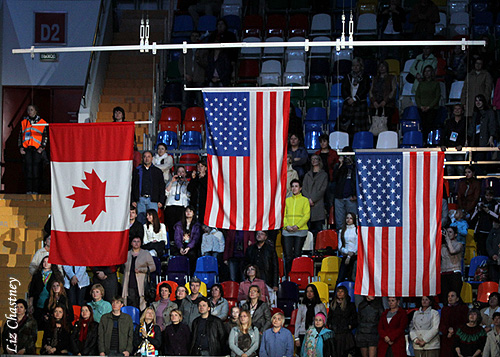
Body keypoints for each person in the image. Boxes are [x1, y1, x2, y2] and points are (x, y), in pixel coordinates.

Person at [282, 179, 310, 276]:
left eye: (296, 186)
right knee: (288, 255)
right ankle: (288, 275)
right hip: (287, 230)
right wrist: (287, 226)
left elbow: (306, 215)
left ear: (300, 188)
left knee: (297, 254)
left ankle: (296, 275)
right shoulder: (287, 200)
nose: (294, 188)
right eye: (292, 186)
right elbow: (283, 215)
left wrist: (297, 226)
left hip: (300, 231)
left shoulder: (305, 200)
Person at [18, 104, 48, 194]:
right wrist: (20, 147)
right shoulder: (24, 122)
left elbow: (45, 136)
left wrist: (42, 147)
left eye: (31, 110)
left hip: (37, 149)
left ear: (36, 111)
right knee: (28, 170)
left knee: (36, 171)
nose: (29, 112)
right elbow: (20, 135)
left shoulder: (42, 122)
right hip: (27, 149)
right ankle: (29, 190)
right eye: (28, 110)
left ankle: (35, 190)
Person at [122, 236, 156, 311]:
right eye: (134, 241)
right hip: (129, 282)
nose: (136, 243)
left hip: (141, 282)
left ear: (141, 243)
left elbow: (153, 267)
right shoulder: (127, 254)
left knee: (140, 302)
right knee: (130, 302)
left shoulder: (146, 253)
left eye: (138, 241)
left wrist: (141, 270)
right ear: (131, 243)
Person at [131, 150, 166, 224]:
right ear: (142, 158)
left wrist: (161, 200)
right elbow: (133, 186)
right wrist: (133, 199)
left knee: (153, 220)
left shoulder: (157, 172)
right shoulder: (137, 171)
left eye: (148, 157)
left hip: (153, 200)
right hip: (140, 200)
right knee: (140, 220)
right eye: (145, 157)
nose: (147, 159)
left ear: (152, 158)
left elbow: (161, 187)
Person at [28, 256, 64, 327]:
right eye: (44, 262)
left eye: (48, 262)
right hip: (38, 303)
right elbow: (31, 291)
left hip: (50, 304)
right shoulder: (37, 275)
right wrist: (30, 305)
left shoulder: (55, 275)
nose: (46, 264)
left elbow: (60, 288)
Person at [340, 57, 371, 135]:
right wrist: (348, 99)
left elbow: (365, 89)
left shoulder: (365, 77)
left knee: (360, 128)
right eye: (354, 65)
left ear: (361, 66)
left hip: (360, 104)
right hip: (348, 104)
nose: (355, 67)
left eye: (357, 65)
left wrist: (355, 98)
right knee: (346, 128)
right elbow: (344, 88)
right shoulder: (347, 76)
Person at [178, 31, 206, 109]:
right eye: (193, 36)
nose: (194, 37)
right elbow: (180, 63)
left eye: (196, 36)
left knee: (200, 101)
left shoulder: (203, 49)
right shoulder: (186, 49)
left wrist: (198, 58)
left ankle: (201, 119)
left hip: (199, 79)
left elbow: (206, 64)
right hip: (187, 78)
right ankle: (184, 119)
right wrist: (185, 74)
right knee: (184, 102)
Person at [294, 284, 327, 349]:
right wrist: (296, 338)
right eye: (307, 291)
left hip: (317, 333)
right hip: (303, 333)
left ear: (314, 292)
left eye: (311, 291)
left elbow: (324, 321)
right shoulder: (302, 306)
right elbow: (298, 322)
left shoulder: (320, 306)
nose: (309, 293)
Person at [327, 285, 357, 357]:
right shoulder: (332, 304)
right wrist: (331, 326)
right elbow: (329, 318)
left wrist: (349, 326)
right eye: (338, 291)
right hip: (335, 333)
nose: (339, 293)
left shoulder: (350, 305)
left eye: (342, 292)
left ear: (345, 293)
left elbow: (355, 319)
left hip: (345, 334)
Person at [302, 154, 328, 234]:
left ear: (319, 161)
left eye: (315, 159)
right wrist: (308, 199)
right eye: (312, 159)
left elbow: (322, 189)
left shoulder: (324, 175)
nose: (313, 160)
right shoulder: (307, 175)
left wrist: (312, 199)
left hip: (318, 203)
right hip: (307, 203)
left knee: (318, 229)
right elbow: (303, 188)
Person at [173, 205, 202, 274]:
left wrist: (188, 247)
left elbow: (195, 238)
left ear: (193, 213)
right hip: (181, 245)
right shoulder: (179, 224)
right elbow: (177, 238)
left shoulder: (196, 225)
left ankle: (190, 275)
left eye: (190, 211)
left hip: (192, 247)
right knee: (177, 255)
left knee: (192, 255)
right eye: (187, 211)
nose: (188, 213)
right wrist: (180, 247)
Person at [471, 187, 500, 256]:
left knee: (490, 251)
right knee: (481, 250)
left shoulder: (497, 205)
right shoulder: (480, 204)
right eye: (487, 195)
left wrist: (489, 212)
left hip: (492, 231)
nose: (488, 197)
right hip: (481, 231)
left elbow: (498, 218)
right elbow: (472, 219)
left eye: (490, 196)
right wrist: (479, 210)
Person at [439, 290, 469, 357]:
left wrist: (454, 330)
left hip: (459, 338)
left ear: (457, 298)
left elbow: (465, 323)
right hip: (447, 339)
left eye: (452, 296)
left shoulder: (463, 308)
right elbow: (442, 324)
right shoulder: (444, 309)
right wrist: (447, 331)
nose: (450, 298)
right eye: (448, 296)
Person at [333, 148, 357, 230]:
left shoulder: (356, 166)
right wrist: (340, 165)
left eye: (349, 155)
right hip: (339, 196)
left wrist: (356, 194)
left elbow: (358, 181)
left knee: (353, 221)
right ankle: (341, 240)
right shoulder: (339, 166)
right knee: (340, 222)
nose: (347, 157)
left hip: (351, 197)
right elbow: (334, 178)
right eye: (345, 155)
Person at [415, 65, 441, 140]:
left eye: (429, 71)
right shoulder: (421, 84)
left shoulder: (436, 84)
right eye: (425, 71)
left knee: (430, 126)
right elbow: (417, 96)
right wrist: (420, 106)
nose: (427, 73)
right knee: (423, 126)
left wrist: (429, 107)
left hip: (432, 109)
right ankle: (423, 141)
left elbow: (437, 97)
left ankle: (430, 142)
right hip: (421, 109)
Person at [442, 104, 467, 177]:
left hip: (460, 147)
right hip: (449, 147)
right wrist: (443, 144)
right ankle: (451, 187)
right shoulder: (449, 122)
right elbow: (444, 134)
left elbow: (467, 135)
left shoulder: (465, 122)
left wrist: (461, 145)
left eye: (459, 109)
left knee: (460, 168)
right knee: (449, 168)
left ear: (462, 111)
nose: (457, 110)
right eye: (455, 109)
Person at [440, 226, 464, 303]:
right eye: (446, 232)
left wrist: (447, 239)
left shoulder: (459, 244)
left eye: (450, 232)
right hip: (443, 273)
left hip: (454, 272)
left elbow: (452, 251)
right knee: (445, 298)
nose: (448, 234)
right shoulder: (442, 246)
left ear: (455, 234)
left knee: (455, 297)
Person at [337, 212, 358, 284]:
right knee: (340, 278)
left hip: (355, 255)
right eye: (347, 218)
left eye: (351, 218)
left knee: (352, 276)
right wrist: (347, 253)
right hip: (345, 255)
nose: (348, 220)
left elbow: (357, 245)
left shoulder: (357, 231)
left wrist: (350, 255)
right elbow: (340, 246)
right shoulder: (342, 231)